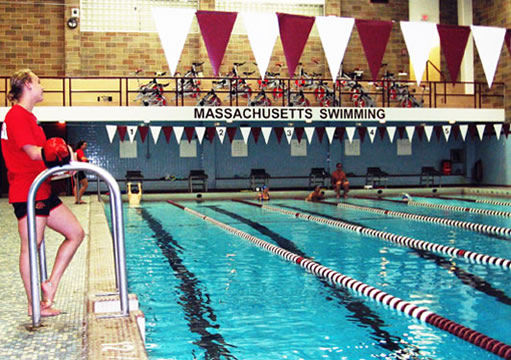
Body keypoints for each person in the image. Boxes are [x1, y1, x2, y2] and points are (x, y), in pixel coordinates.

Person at [0, 69, 85, 317]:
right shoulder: (16, 117)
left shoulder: (28, 118)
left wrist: (62, 167)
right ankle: (33, 305)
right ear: (27, 85)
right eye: (38, 82)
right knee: (31, 246)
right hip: (27, 191)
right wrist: (61, 152)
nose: (42, 86)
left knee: (76, 233)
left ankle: (51, 283)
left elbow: (41, 159)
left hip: (42, 188)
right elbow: (34, 153)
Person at [74, 140, 89, 204]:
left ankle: (77, 199)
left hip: (74, 170)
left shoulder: (76, 151)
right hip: (79, 170)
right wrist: (87, 160)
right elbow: (83, 159)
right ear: (81, 145)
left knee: (76, 185)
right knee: (85, 184)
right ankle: (78, 198)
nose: (86, 146)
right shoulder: (79, 151)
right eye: (85, 145)